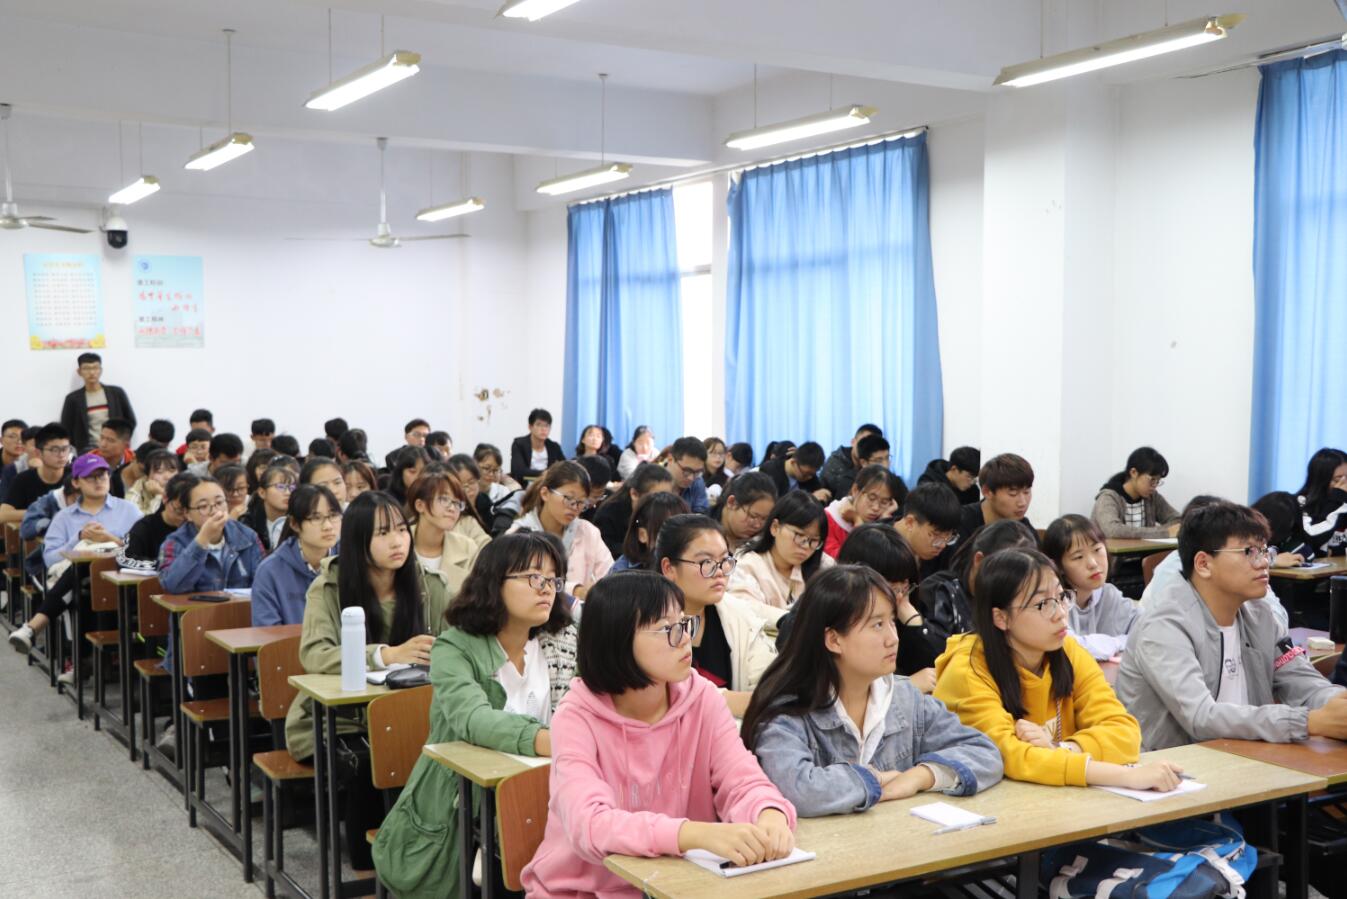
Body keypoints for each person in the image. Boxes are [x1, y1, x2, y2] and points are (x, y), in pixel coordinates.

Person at [520, 572, 797, 894]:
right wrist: (692, 834)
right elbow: (590, 825)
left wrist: (769, 814)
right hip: (583, 891)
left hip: (680, 886)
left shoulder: (703, 698)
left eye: (684, 623)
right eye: (668, 629)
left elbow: (742, 779)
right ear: (617, 639)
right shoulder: (576, 716)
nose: (685, 639)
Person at [372, 532, 579, 899]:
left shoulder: (563, 642)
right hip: (463, 798)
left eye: (553, 579)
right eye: (534, 577)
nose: (547, 588)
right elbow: (473, 719)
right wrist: (551, 740)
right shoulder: (455, 646)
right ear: (495, 582)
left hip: (550, 792)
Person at [744, 565, 1002, 816]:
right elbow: (798, 789)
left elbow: (985, 753)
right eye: (877, 625)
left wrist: (921, 776)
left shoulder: (905, 699)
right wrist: (873, 779)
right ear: (834, 639)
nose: (893, 638)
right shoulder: (789, 711)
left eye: (892, 622)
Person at [285, 491, 452, 872]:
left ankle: (431, 859)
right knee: (370, 761)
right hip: (338, 722)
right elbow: (315, 654)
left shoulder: (429, 586)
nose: (398, 541)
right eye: (382, 533)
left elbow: (459, 644)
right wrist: (385, 655)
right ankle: (370, 865)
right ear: (358, 540)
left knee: (443, 756)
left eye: (402, 530)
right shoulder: (329, 587)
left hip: (413, 716)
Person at [933, 549, 1183, 791]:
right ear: (1001, 618)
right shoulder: (967, 669)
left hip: (1061, 798)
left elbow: (1125, 732)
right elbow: (1007, 756)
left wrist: (1061, 749)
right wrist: (1125, 777)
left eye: (1062, 597)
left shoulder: (1067, 651)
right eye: (1043, 604)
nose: (1061, 614)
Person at [1115, 501, 1347, 749]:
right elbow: (1201, 717)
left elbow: (1303, 683)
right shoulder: (1164, 625)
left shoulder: (1261, 616)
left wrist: (1338, 704)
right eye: (1249, 552)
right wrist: (1307, 722)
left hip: (1247, 756)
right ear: (1203, 564)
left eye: (1265, 551)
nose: (1264, 562)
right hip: (1174, 766)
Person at [8, 453, 141, 661]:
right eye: (91, 477)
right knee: (82, 574)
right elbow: (50, 559)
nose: (98, 481)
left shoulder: (129, 510)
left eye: (103, 475)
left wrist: (110, 539)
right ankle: (82, 662)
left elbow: (143, 550)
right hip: (81, 585)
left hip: (122, 581)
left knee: (83, 573)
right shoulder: (64, 517)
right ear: (76, 482)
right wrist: (78, 538)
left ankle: (34, 628)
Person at [916, 520, 1038, 641]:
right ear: (979, 560)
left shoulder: (1019, 599)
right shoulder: (940, 591)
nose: (1013, 584)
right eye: (1006, 574)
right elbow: (935, 648)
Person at [724, 490, 835, 621]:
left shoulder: (824, 565)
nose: (806, 546)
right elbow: (744, 608)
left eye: (814, 540)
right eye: (799, 536)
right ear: (775, 527)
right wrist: (789, 620)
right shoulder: (747, 565)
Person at [508, 462, 613, 600]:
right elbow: (519, 587)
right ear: (545, 494)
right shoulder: (518, 536)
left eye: (581, 502)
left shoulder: (588, 532)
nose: (575, 507)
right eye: (569, 499)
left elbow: (610, 577)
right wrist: (575, 591)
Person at [1041, 515, 1137, 662]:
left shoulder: (1108, 594)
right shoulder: (1054, 604)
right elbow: (1072, 647)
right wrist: (1118, 643)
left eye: (1097, 549)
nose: (1093, 563)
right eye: (1078, 557)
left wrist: (1112, 644)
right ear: (1058, 566)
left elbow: (1147, 629)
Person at [251, 484, 341, 627]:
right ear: (294, 524)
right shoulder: (270, 571)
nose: (328, 526)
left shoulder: (350, 562)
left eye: (333, 515)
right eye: (316, 518)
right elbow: (266, 632)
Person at [407, 472, 484, 598]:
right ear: (420, 505)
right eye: (444, 499)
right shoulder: (399, 543)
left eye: (457, 503)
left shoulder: (467, 547)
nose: (452, 508)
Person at [1091, 447, 1181, 539]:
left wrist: (1166, 531)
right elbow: (1113, 530)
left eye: (1157, 481)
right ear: (1133, 472)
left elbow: (1178, 520)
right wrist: (1164, 532)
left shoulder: (1152, 497)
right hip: (1113, 549)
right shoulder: (1108, 497)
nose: (1154, 486)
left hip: (1147, 548)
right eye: (1152, 480)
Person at [592, 462, 676, 557]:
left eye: (667, 497)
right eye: (656, 497)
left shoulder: (669, 512)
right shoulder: (609, 514)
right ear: (634, 494)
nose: (663, 503)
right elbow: (607, 550)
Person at [117, 471, 196, 573]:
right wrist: (164, 565)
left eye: (191, 511)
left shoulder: (199, 525)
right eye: (179, 510)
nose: (187, 518)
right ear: (165, 499)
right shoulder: (145, 527)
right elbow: (124, 559)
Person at [59, 352, 136, 453]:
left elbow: (130, 421)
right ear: (79, 372)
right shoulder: (73, 399)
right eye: (86, 368)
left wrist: (121, 442)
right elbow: (66, 428)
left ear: (101, 370)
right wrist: (80, 445)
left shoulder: (116, 393)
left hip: (116, 449)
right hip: (88, 451)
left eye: (95, 368)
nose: (92, 372)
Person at [822, 465, 902, 558]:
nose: (876, 508)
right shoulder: (828, 519)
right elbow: (845, 559)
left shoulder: (883, 519)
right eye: (871, 498)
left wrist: (883, 521)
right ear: (855, 490)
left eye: (884, 502)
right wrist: (858, 523)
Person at [0, 423, 72, 526]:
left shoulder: (76, 477)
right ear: (39, 453)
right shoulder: (23, 479)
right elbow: (3, 514)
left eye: (65, 449)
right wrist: (43, 512)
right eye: (54, 450)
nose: (61, 455)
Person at [956, 453, 1035, 543]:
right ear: (987, 492)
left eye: (1026, 492)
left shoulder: (1024, 529)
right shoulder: (960, 522)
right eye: (1013, 493)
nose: (1023, 503)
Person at [893, 482, 963, 581]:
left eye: (948, 536)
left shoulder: (946, 549)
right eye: (936, 534)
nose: (942, 545)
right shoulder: (876, 546)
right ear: (910, 522)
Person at [612, 491, 689, 572]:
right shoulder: (623, 572)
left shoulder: (691, 561)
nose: (677, 540)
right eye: (668, 533)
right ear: (642, 535)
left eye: (682, 532)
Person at [447, 453, 521, 537]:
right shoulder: (448, 511)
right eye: (461, 484)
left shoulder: (484, 502)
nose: (467, 489)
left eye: (471, 482)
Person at [1293, 448, 1347, 557]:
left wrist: (1336, 552)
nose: (1345, 485)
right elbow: (1311, 540)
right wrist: (1336, 501)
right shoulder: (1299, 503)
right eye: (1338, 480)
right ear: (1321, 480)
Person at [710, 471, 777, 553]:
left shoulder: (763, 543)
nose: (757, 525)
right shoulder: (702, 534)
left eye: (764, 519)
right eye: (753, 516)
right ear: (732, 502)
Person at [241, 461, 298, 553]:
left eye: (292, 488)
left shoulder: (298, 522)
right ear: (262, 492)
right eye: (280, 487)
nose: (288, 493)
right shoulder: (248, 523)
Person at [819, 424, 883, 500]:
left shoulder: (874, 462)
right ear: (853, 442)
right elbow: (848, 499)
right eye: (862, 443)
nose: (865, 448)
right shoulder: (836, 464)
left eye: (871, 447)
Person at [759, 441, 831, 504]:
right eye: (805, 474)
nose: (809, 478)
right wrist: (810, 499)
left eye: (812, 474)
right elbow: (773, 505)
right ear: (793, 462)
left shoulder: (810, 474)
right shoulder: (770, 471)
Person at [510, 408, 565, 485]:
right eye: (539, 425)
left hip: (547, 486)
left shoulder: (554, 446)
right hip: (524, 486)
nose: (543, 429)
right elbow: (519, 470)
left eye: (546, 425)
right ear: (530, 427)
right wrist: (545, 473)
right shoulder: (519, 444)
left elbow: (564, 467)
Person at [917, 446, 981, 506]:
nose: (972, 482)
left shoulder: (973, 491)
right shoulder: (927, 485)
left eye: (975, 478)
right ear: (954, 469)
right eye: (969, 476)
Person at [125, 447, 181, 516]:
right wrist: (159, 495)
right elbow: (141, 519)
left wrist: (162, 492)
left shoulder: (184, 487)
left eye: (172, 471)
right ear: (147, 475)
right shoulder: (137, 489)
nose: (168, 477)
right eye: (160, 472)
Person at [665, 436, 710, 514]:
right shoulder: (653, 482)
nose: (691, 478)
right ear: (670, 459)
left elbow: (701, 515)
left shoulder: (698, 481)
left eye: (698, 472)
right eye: (687, 471)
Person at [96, 417, 134, 498]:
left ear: (126, 445)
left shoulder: (134, 463)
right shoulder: (89, 460)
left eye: (110, 440)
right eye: (102, 438)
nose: (103, 444)